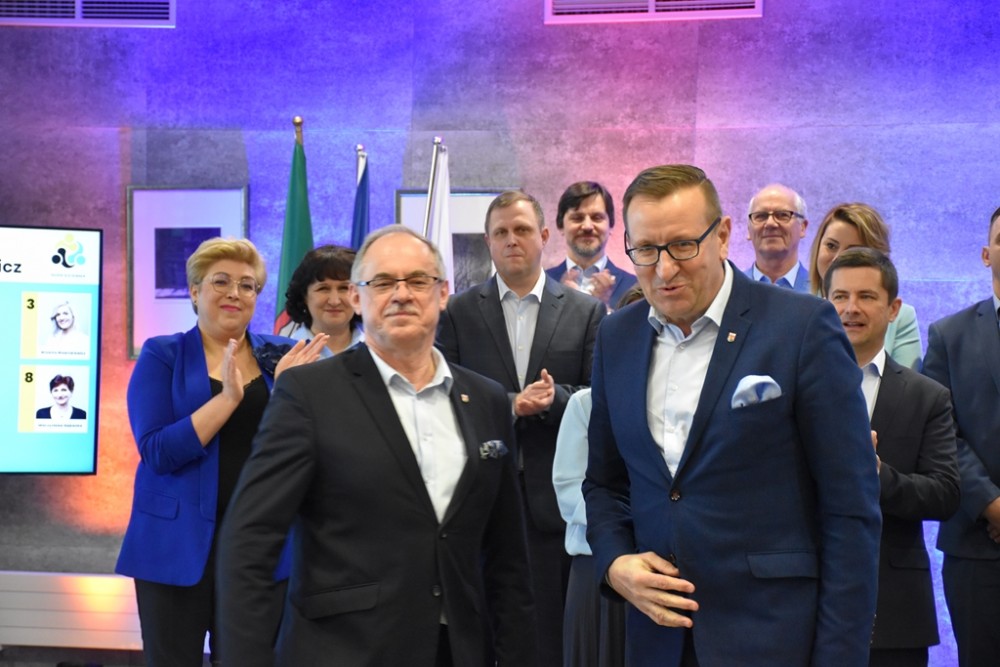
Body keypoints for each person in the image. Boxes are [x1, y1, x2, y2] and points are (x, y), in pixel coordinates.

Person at [583, 164, 881, 667]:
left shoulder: (802, 327)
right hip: (656, 641)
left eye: (682, 246)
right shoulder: (617, 336)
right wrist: (614, 563)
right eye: (646, 250)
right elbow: (604, 483)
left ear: (722, 235)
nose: (664, 270)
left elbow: (850, 510)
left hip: (774, 639)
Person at [218, 225, 537, 667]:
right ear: (356, 297)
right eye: (383, 282)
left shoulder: (486, 399)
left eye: (418, 280)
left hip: (458, 650)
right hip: (342, 651)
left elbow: (508, 557)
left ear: (443, 293)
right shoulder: (308, 394)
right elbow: (250, 543)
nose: (401, 294)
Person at [115, 237, 327, 667]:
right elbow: (157, 451)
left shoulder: (281, 356)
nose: (235, 292)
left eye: (247, 285)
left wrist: (289, 392)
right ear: (195, 292)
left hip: (261, 551)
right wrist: (228, 399)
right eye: (221, 281)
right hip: (174, 548)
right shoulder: (163, 353)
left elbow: (302, 450)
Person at [437, 190, 606, 666]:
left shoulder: (585, 311)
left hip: (552, 504)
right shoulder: (457, 312)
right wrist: (511, 404)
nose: (512, 240)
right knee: (478, 635)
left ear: (545, 236)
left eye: (522, 229)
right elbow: (444, 393)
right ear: (488, 242)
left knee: (547, 638)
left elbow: (599, 397)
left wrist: (555, 400)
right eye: (501, 232)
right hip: (477, 498)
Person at [825, 247, 959, 667]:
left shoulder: (927, 396)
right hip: (807, 602)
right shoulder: (795, 385)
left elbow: (945, 493)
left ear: (894, 308)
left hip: (896, 608)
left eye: (866, 296)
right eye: (840, 297)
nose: (851, 308)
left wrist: (878, 474)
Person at [922, 205, 1000, 667]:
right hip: (977, 544)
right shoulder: (949, 335)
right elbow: (941, 432)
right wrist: (991, 504)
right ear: (986, 254)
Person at [553, 286, 644, 667]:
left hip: (664, 562)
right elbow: (568, 490)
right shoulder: (585, 403)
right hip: (599, 564)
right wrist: (630, 521)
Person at [807, 202, 922, 368]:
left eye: (853, 251)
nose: (838, 258)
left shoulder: (902, 316)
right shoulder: (795, 310)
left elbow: (906, 381)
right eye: (831, 246)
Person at [546, 181, 637, 310]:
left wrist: (604, 310)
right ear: (560, 226)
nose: (587, 226)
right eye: (577, 218)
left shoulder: (634, 287)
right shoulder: (542, 284)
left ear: (611, 225)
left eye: (597, 217)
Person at [280, 244, 364, 358]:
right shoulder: (280, 353)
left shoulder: (380, 351)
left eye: (344, 288)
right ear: (304, 296)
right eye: (323, 289)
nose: (334, 301)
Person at [743, 183, 810, 290]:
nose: (770, 223)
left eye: (782, 215)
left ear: (802, 227)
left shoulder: (823, 291)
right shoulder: (730, 290)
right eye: (761, 216)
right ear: (748, 230)